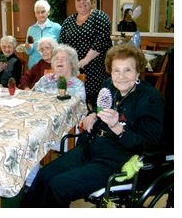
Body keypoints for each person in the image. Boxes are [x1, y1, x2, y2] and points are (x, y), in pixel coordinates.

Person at [21, 44, 164, 207]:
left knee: (58, 186)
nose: (121, 76)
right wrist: (92, 115)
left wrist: (117, 127)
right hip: (90, 147)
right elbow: (100, 108)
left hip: (116, 159)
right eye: (116, 70)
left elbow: (149, 143)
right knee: (44, 175)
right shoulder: (109, 85)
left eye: (128, 70)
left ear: (138, 71)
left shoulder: (150, 98)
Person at [24, 44, 86, 188]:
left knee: (32, 139)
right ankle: (30, 182)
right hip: (39, 124)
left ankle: (33, 182)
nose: (59, 60)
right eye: (56, 58)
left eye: (63, 58)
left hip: (64, 130)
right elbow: (30, 98)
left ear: (71, 63)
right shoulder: (45, 79)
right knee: (26, 137)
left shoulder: (77, 85)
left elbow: (79, 112)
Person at [59, 0, 112, 107]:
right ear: (75, 3)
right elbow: (62, 44)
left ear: (91, 1)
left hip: (96, 69)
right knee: (75, 101)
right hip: (74, 69)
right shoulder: (68, 21)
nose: (81, 2)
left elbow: (101, 40)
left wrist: (85, 60)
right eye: (78, 0)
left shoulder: (99, 16)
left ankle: (96, 123)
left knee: (96, 102)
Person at [25, 0, 61, 70]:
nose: (40, 14)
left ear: (48, 12)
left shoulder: (57, 27)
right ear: (35, 14)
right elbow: (28, 52)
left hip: (51, 67)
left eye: (43, 11)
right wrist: (28, 48)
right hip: (34, 67)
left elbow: (62, 48)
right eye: (38, 12)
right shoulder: (31, 29)